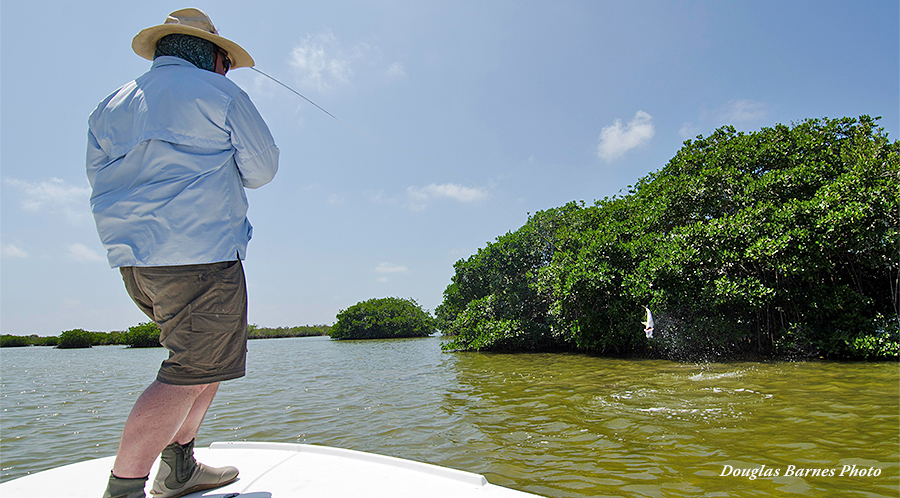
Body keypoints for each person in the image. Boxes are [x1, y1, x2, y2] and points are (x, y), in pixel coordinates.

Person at [86, 8, 279, 498]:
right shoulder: (221, 93)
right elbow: (263, 169)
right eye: (226, 61)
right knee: (189, 370)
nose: (228, 70)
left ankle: (180, 467)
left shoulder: (109, 105)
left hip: (134, 263)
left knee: (205, 364)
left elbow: (99, 178)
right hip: (201, 257)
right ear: (212, 54)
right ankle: (124, 489)